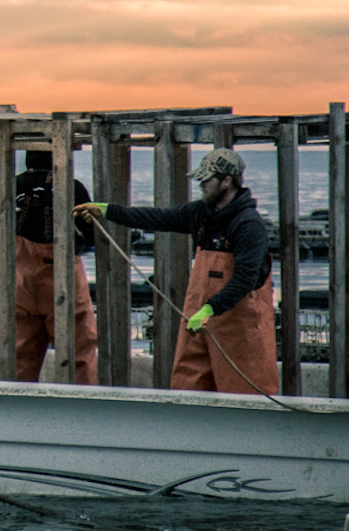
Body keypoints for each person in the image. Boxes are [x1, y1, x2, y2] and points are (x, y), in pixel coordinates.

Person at [74, 148, 278, 395]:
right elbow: (158, 217)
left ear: (227, 181)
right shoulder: (200, 213)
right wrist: (107, 211)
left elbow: (245, 278)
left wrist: (210, 308)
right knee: (189, 386)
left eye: (207, 179)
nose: (201, 184)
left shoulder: (248, 224)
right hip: (198, 322)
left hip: (238, 326)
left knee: (243, 390)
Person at [13, 150, 98, 383]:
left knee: (20, 355)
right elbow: (92, 236)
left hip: (20, 280)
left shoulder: (13, 184)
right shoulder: (72, 187)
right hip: (62, 280)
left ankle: (12, 410)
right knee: (78, 350)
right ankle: (81, 409)